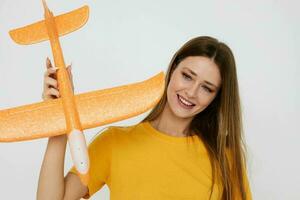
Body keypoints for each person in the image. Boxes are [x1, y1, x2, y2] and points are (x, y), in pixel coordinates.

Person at [37, 36, 252, 200]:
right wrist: (58, 120)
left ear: (216, 98)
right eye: (187, 76)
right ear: (174, 68)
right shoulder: (115, 143)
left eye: (207, 88)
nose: (191, 92)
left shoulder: (225, 157)